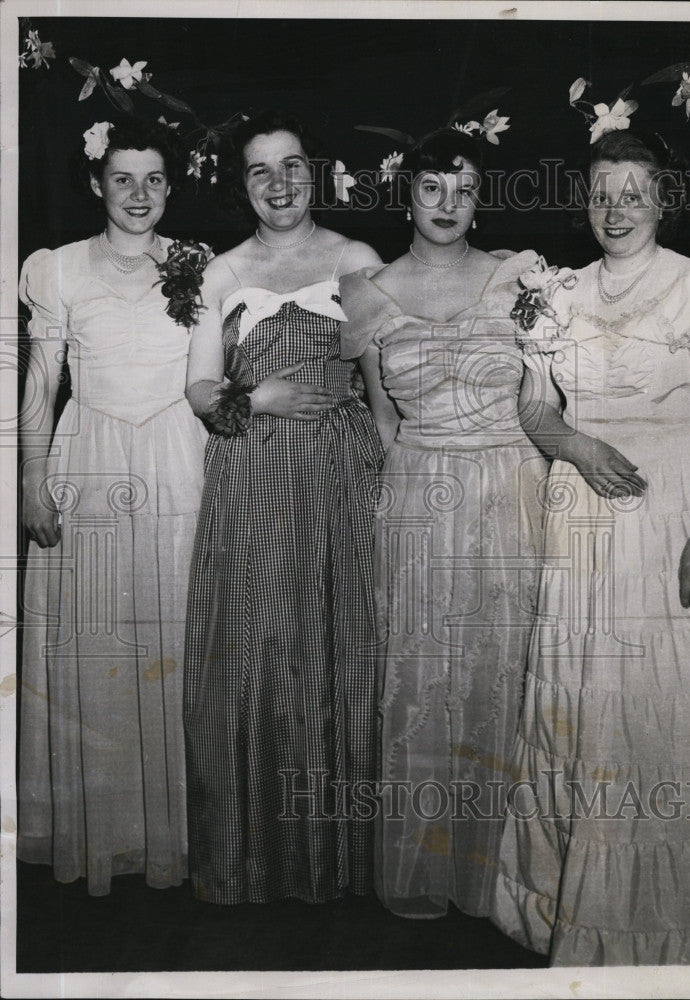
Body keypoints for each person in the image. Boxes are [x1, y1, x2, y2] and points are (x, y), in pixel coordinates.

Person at [491, 129, 690, 965]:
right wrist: (575, 445)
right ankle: (586, 917)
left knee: (673, 712)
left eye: (633, 191)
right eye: (603, 192)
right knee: (592, 713)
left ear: (662, 200)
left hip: (677, 501)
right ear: (585, 202)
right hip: (584, 513)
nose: (617, 209)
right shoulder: (555, 293)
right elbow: (535, 413)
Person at [340, 127, 548, 919]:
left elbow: (546, 395)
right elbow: (382, 417)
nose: (448, 204)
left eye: (464, 189)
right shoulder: (369, 291)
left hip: (511, 484)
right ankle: (429, 867)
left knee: (506, 673)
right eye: (432, 187)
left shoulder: (519, 276)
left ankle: (501, 873)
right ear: (409, 194)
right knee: (426, 680)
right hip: (420, 490)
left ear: (481, 197)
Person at [184, 111, 383, 905]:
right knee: (261, 648)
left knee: (344, 646)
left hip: (340, 471)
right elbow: (200, 389)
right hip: (253, 473)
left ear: (315, 172)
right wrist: (253, 394)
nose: (279, 184)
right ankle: (257, 859)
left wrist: (392, 472)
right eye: (261, 171)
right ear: (243, 185)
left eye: (292, 166)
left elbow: (382, 385)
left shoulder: (356, 259)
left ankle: (342, 863)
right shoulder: (220, 272)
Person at [18, 118, 208, 896]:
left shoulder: (197, 265)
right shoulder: (58, 269)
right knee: (94, 644)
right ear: (96, 183)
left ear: (171, 186)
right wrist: (30, 481)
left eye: (154, 179)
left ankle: (175, 836)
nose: (139, 195)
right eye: (122, 178)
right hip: (89, 457)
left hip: (175, 459)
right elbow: (40, 382)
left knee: (170, 634)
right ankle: (101, 833)